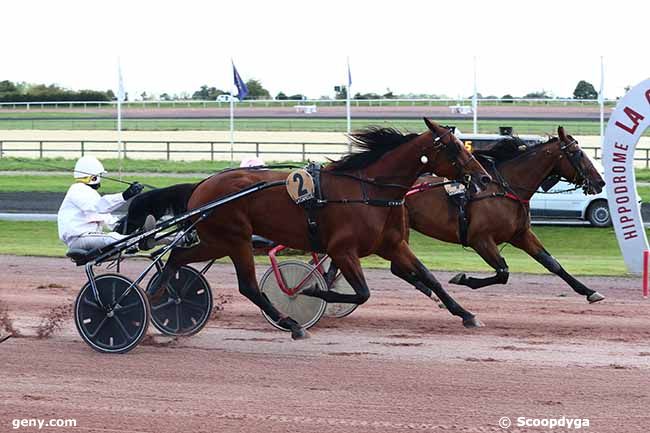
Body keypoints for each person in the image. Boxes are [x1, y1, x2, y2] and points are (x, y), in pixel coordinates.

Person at [57, 156, 144, 251]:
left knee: (115, 236)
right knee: (111, 237)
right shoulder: (78, 189)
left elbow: (104, 216)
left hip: (88, 237)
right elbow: (100, 207)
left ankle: (148, 237)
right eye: (100, 176)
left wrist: (123, 223)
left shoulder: (88, 193)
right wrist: (125, 195)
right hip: (78, 239)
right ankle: (137, 243)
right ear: (94, 177)